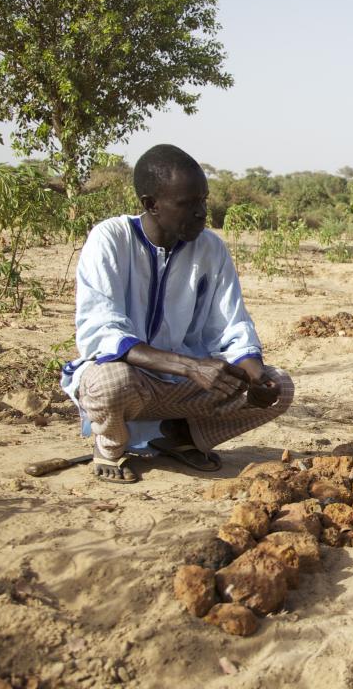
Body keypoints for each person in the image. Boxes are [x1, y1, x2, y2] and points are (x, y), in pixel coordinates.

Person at [60, 144, 294, 483]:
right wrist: (190, 366)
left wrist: (257, 377)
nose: (201, 213)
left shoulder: (211, 248)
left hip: (187, 385)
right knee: (107, 380)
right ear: (151, 204)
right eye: (187, 204)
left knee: (281, 387)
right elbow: (103, 333)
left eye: (204, 201)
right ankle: (110, 445)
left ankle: (179, 438)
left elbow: (230, 326)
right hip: (135, 383)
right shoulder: (110, 239)